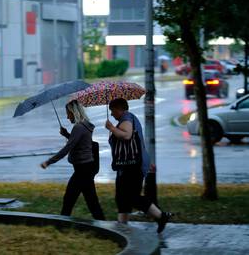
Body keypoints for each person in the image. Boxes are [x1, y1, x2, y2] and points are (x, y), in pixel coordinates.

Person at [105, 98, 171, 233]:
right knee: (122, 197)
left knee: (132, 197)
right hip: (126, 166)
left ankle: (161, 216)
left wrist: (111, 128)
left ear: (119, 109)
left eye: (112, 111)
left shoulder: (127, 118)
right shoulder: (127, 119)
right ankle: (122, 225)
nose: (112, 114)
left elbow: (127, 136)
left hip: (132, 166)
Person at [40, 100, 105, 220]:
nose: (67, 116)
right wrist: (66, 135)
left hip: (82, 170)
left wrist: (48, 162)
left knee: (70, 199)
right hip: (87, 168)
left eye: (68, 113)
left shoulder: (78, 127)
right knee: (91, 202)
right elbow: (80, 143)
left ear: (73, 112)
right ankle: (103, 223)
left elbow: (67, 148)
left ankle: (63, 225)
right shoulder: (85, 125)